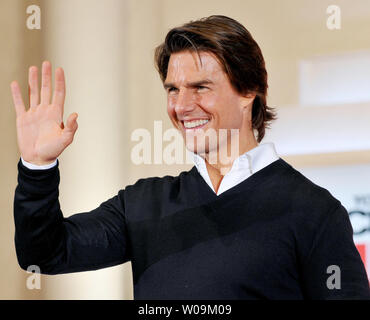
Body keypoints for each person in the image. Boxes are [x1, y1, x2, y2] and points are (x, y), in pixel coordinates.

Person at [11, 15, 370, 299]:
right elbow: (43, 255)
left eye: (200, 87)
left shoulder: (314, 212)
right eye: (172, 89)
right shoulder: (142, 204)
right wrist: (38, 168)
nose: (181, 106)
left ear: (248, 91)